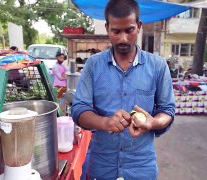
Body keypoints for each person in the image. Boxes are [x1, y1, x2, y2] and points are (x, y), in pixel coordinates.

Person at [71, 0, 175, 179]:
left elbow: (167, 111)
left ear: (139, 26)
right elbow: (79, 110)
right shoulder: (93, 66)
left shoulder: (158, 66)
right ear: (107, 28)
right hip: (102, 164)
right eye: (116, 31)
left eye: (129, 30)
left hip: (141, 165)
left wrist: (152, 122)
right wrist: (105, 123)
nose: (123, 39)